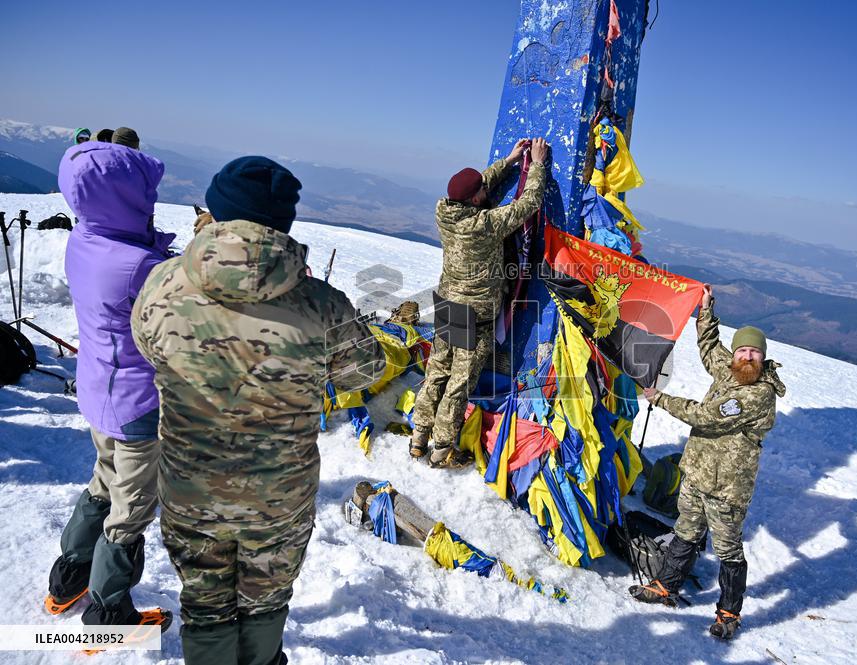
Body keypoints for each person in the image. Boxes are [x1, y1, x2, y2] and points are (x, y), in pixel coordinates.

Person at [132, 156, 386, 665]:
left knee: (205, 604)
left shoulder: (162, 283)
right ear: (283, 222)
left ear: (218, 211)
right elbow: (365, 373)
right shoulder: (323, 305)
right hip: (278, 498)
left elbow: (147, 347)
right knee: (265, 601)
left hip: (191, 487)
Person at [45, 141, 174, 629]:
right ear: (122, 197)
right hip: (139, 402)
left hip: (100, 391)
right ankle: (108, 613)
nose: (152, 200)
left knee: (104, 480)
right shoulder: (140, 268)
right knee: (132, 508)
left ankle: (68, 577)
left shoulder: (85, 239)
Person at [631, 284, 786, 640]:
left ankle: (729, 613)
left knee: (729, 549)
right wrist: (705, 309)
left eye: (754, 353)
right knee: (686, 531)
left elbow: (706, 416)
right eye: (743, 350)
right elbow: (709, 347)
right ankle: (665, 586)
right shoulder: (731, 370)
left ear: (762, 358)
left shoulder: (757, 393)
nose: (747, 357)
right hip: (698, 475)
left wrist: (659, 399)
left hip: (727, 488)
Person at [410, 137, 549, 468]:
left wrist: (511, 160)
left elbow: (477, 187)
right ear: (474, 200)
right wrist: (538, 164)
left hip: (447, 304)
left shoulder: (443, 210)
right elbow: (527, 204)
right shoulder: (483, 225)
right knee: (458, 384)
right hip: (476, 315)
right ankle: (442, 449)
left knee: (437, 372)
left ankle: (419, 437)